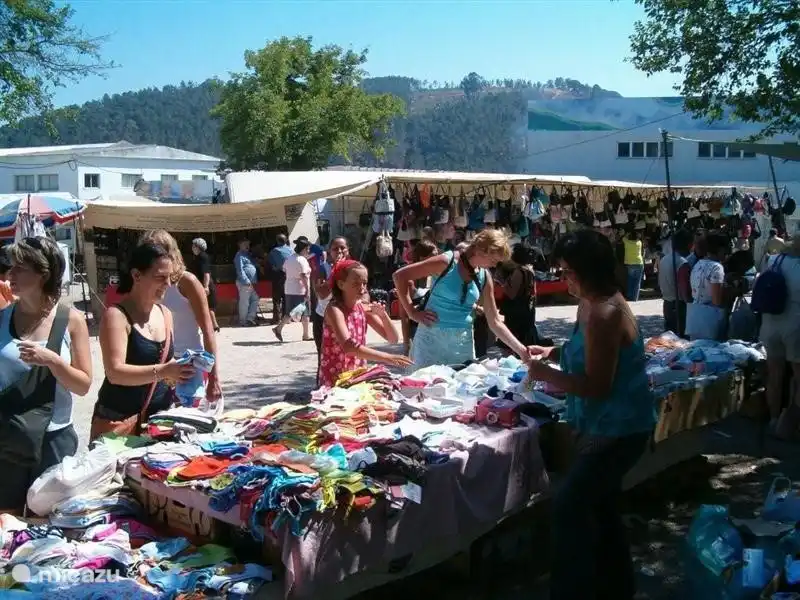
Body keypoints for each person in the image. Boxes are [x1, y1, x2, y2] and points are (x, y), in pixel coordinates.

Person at [525, 229, 656, 600]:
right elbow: (585, 351)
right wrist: (552, 354)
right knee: (601, 509)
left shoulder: (606, 312)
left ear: (589, 271)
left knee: (569, 509)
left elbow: (597, 384)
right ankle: (616, 588)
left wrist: (545, 375)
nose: (564, 278)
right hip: (602, 423)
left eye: (568, 271)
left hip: (620, 428)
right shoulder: (588, 305)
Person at [0, 237, 92, 510]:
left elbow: (84, 385)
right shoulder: (2, 317)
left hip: (54, 440)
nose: (10, 274)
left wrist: (53, 361)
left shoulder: (70, 319)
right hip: (9, 438)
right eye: (10, 267)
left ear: (44, 273)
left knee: (51, 523)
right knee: (8, 523)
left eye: (19, 268)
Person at [93, 242, 194, 439]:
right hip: (119, 422)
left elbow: (165, 368)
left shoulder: (165, 314)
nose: (168, 284)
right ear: (137, 275)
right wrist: (164, 370)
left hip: (159, 420)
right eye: (160, 277)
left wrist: (181, 373)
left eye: (170, 277)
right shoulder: (116, 316)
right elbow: (115, 373)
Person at [393, 229, 530, 368]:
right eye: (494, 260)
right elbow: (399, 276)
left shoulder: (484, 276)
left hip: (462, 344)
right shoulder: (445, 262)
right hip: (431, 341)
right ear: (482, 250)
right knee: (425, 386)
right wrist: (412, 312)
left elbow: (494, 321)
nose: (495, 265)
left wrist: (521, 350)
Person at [141, 230, 222, 412]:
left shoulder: (188, 282)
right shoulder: (146, 285)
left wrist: (214, 378)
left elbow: (208, 332)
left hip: (188, 365)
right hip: (158, 365)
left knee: (188, 422)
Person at [319, 260, 412, 387]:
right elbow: (349, 347)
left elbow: (393, 338)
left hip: (357, 374)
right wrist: (387, 357)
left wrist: (383, 315)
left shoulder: (362, 308)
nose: (362, 288)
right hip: (335, 376)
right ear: (341, 284)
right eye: (356, 283)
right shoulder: (335, 310)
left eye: (364, 283)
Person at [759, 236, 800, 440]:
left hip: (771, 323)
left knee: (774, 376)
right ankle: (791, 424)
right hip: (795, 325)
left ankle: (774, 419)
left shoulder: (775, 260)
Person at [312, 237, 349, 369]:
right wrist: (335, 271)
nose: (339, 251)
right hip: (323, 318)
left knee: (346, 357)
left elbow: (363, 293)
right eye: (335, 248)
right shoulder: (322, 269)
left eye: (342, 248)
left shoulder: (354, 268)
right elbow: (322, 295)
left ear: (348, 250)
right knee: (324, 358)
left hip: (346, 319)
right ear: (329, 251)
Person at [686, 232, 729, 341]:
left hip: (694, 314)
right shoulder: (717, 267)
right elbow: (716, 301)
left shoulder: (697, 264)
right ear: (719, 249)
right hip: (709, 318)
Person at [400, 238, 438, 355]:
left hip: (436, 329)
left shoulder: (437, 275)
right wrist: (406, 342)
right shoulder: (409, 279)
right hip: (417, 331)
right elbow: (404, 314)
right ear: (422, 258)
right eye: (433, 256)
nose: (437, 259)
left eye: (437, 255)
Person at [498, 244, 539, 346]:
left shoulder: (519, 272)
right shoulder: (530, 270)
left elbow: (512, 294)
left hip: (516, 313)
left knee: (515, 340)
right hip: (526, 310)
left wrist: (504, 283)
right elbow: (534, 292)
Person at [273, 238, 312, 343]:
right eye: (307, 249)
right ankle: (305, 334)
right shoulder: (302, 260)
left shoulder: (290, 258)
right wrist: (308, 290)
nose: (308, 251)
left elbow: (284, 269)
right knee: (304, 312)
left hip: (289, 288)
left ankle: (280, 328)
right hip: (299, 289)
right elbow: (303, 275)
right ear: (303, 249)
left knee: (293, 312)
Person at [658, 229, 692, 337]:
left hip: (667, 304)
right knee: (681, 339)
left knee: (670, 338)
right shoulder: (682, 263)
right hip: (679, 306)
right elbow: (684, 291)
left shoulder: (664, 259)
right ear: (689, 244)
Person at [189, 237, 220, 332]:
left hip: (205, 284)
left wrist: (206, 286)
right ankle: (214, 326)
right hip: (201, 284)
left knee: (206, 306)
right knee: (206, 306)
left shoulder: (203, 257)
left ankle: (213, 326)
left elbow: (206, 273)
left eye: (193, 246)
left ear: (197, 247)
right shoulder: (199, 257)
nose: (192, 248)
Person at [234, 238, 259, 327]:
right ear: (240, 245)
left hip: (250, 283)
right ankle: (243, 321)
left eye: (248, 244)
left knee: (255, 299)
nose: (247, 246)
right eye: (245, 244)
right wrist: (246, 280)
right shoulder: (239, 255)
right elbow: (240, 270)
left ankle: (250, 319)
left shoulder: (247, 255)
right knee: (245, 302)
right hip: (244, 282)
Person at [268, 234, 292, 323]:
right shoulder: (291, 250)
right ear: (286, 240)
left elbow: (270, 262)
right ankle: (286, 318)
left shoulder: (274, 251)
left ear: (277, 241)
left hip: (278, 275)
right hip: (289, 275)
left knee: (277, 298)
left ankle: (276, 319)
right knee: (286, 297)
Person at [622, 229, 644, 302]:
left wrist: (627, 233)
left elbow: (623, 237)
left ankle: (629, 296)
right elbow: (639, 237)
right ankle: (635, 298)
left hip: (630, 263)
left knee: (630, 280)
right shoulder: (639, 242)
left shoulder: (626, 242)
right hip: (639, 263)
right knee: (637, 282)